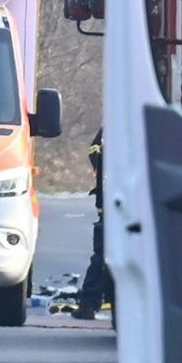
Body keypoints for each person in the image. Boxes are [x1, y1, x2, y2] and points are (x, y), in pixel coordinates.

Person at [74, 128, 113, 320]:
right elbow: (95, 151)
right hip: (114, 202)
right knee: (104, 255)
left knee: (103, 255)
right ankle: (89, 304)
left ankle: (89, 303)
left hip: (113, 202)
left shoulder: (113, 126)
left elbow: (95, 152)